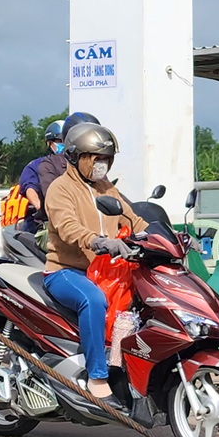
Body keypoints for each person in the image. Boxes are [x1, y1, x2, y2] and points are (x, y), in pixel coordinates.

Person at [42, 121, 144, 408]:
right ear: (75, 156)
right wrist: (98, 241)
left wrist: (168, 236)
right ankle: (97, 379)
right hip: (65, 270)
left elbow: (133, 219)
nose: (102, 165)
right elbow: (67, 227)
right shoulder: (60, 189)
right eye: (96, 158)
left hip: (106, 269)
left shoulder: (105, 188)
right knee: (93, 300)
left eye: (106, 159)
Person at [6, 120, 66, 234]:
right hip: (42, 223)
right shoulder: (37, 165)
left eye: (66, 141)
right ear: (49, 143)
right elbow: (30, 188)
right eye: (59, 141)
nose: (63, 144)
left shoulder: (76, 165)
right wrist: (40, 206)